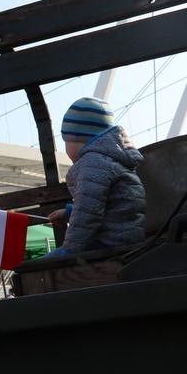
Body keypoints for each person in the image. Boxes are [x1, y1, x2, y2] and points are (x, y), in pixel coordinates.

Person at [45, 97, 146, 256]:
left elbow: (86, 214)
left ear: (77, 138)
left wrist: (69, 252)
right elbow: (113, 207)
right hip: (124, 239)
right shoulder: (113, 160)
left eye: (66, 141)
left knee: (41, 268)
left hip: (105, 246)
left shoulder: (93, 162)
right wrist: (70, 212)